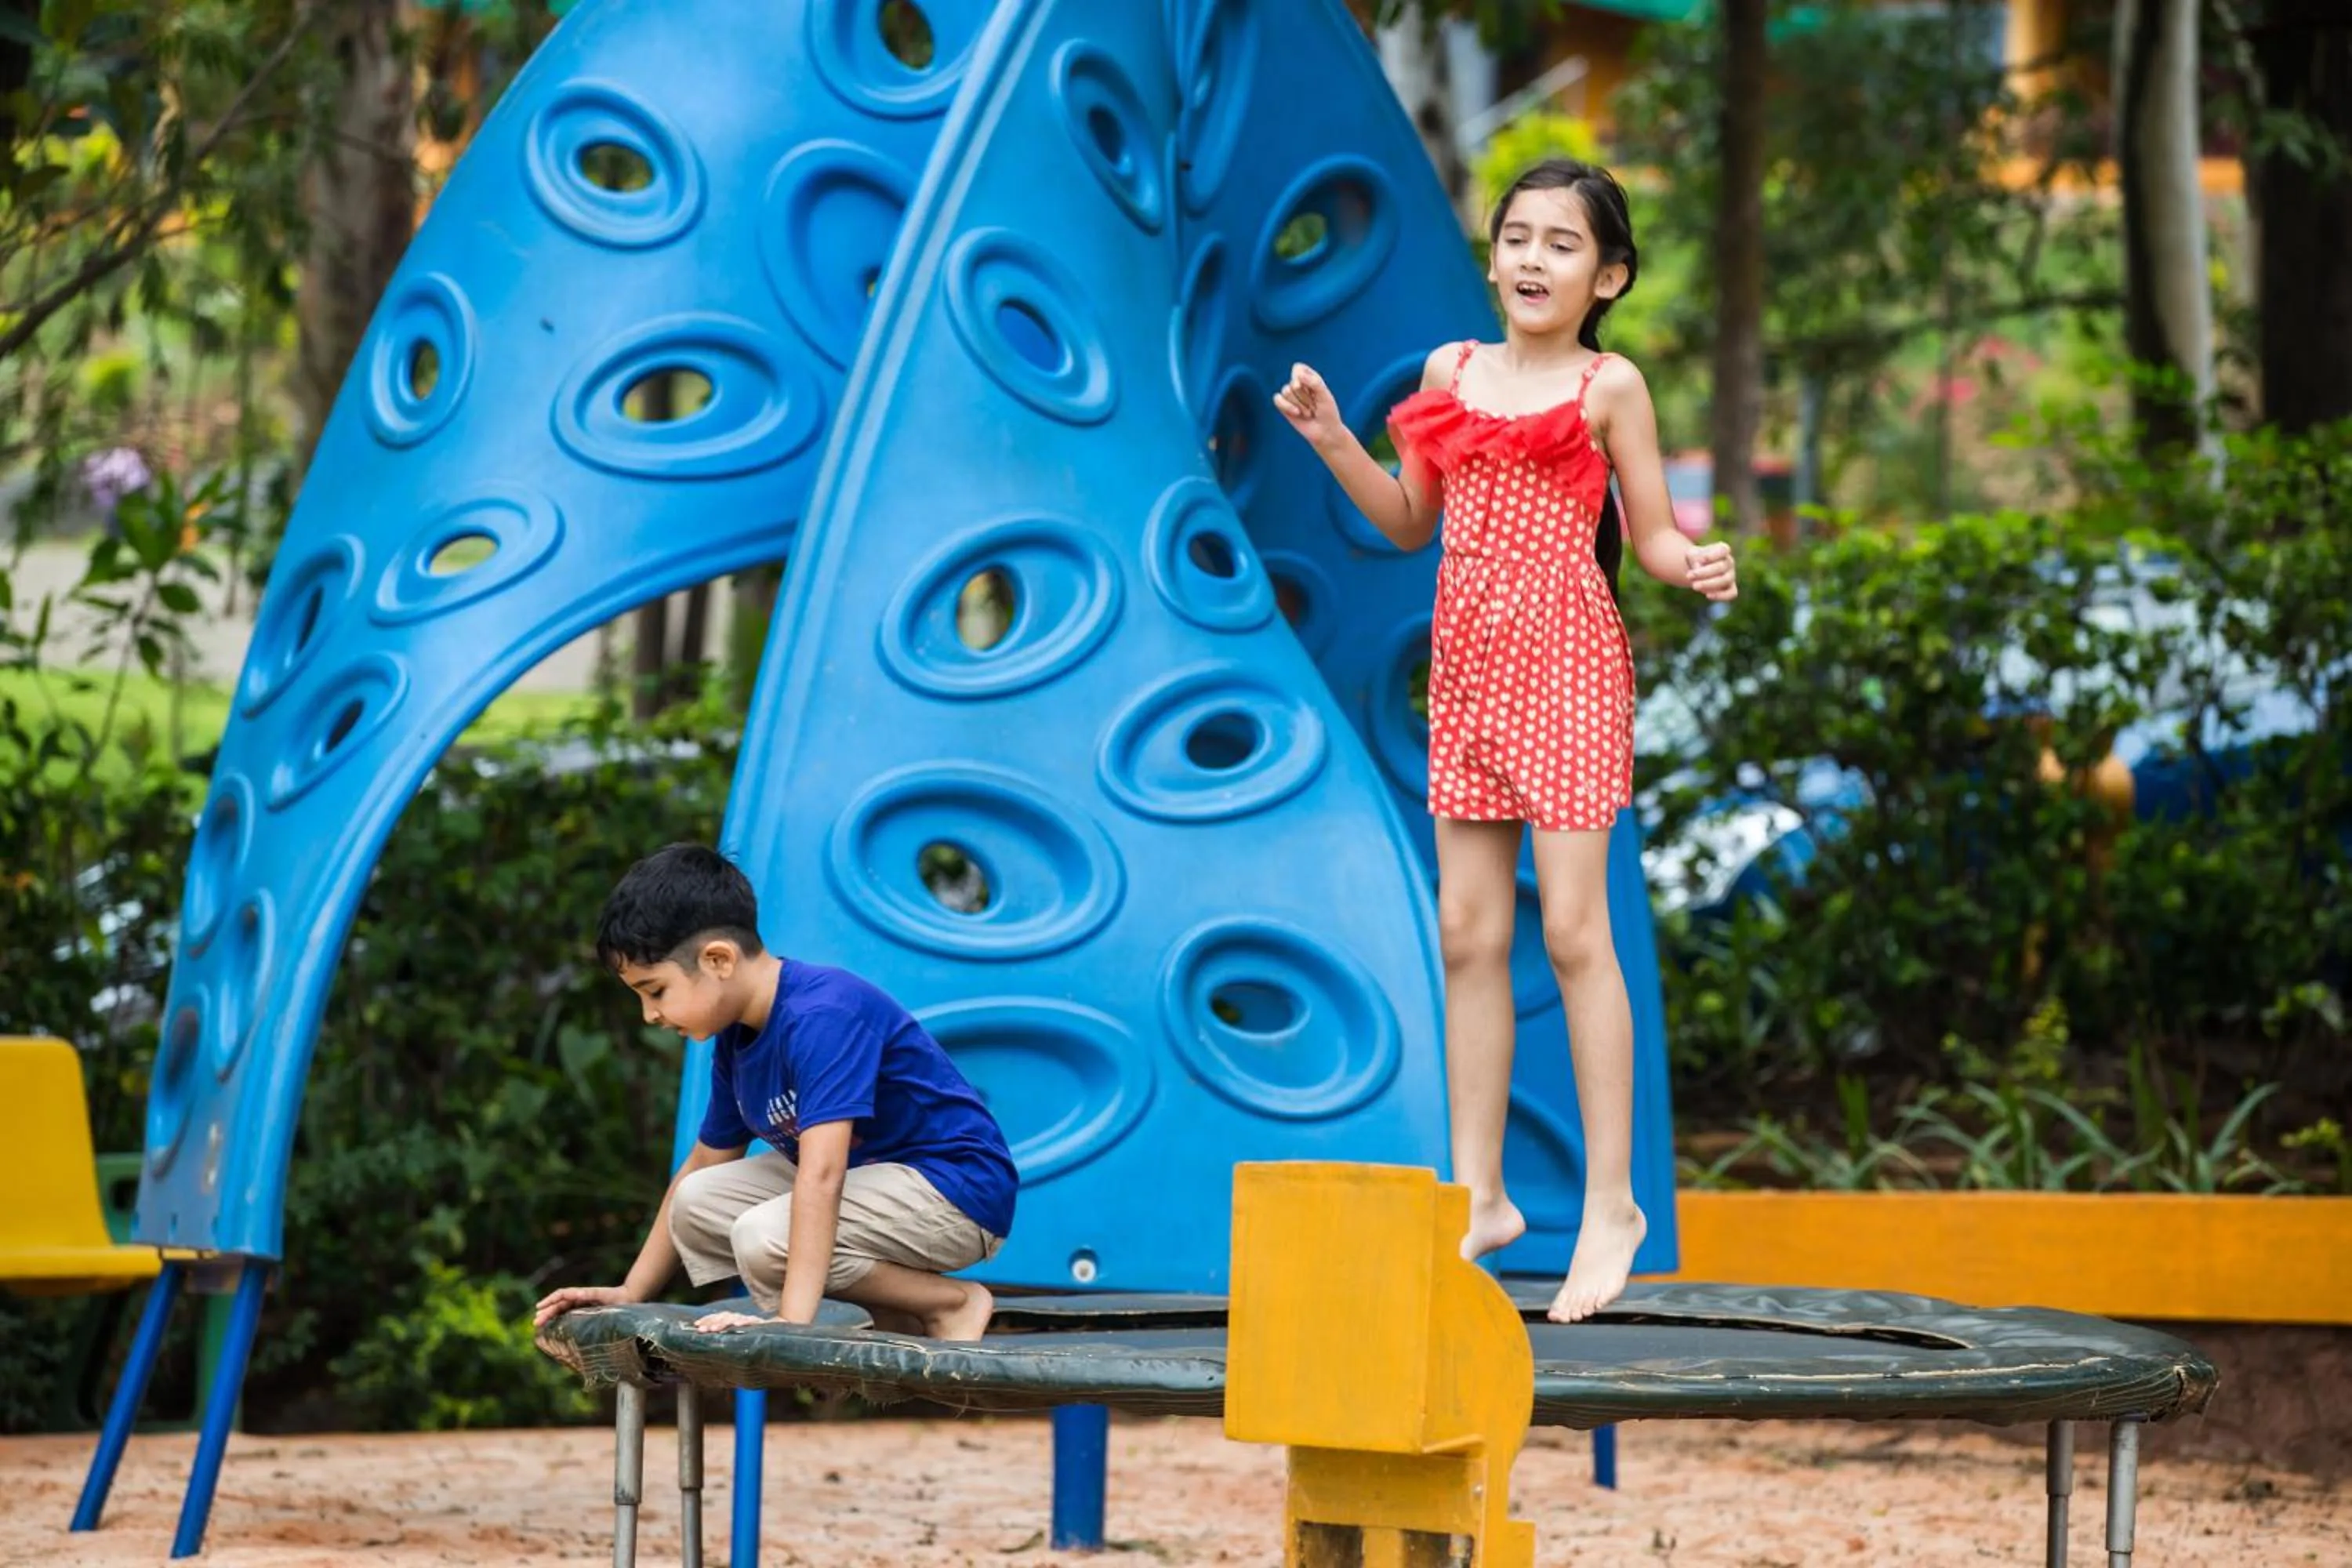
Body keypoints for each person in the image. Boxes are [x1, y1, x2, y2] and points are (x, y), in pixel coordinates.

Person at [1272, 158, 1738, 1323]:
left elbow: (1655, 534)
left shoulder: (1609, 387)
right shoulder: (1453, 373)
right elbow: (1404, 523)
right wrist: (1333, 438)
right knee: (1467, 928)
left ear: (1609, 275)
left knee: (1577, 932)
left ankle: (1613, 1204)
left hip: (1571, 664)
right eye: (1517, 237)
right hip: (1469, 669)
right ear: (1493, 258)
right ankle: (1479, 1191)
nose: (1533, 258)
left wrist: (1697, 565)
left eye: (1563, 244)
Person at [532, 844, 1015, 1341]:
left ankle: (949, 1302)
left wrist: (791, 1323)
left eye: (655, 991)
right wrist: (631, 1290)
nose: (650, 1015)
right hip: (872, 1183)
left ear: (717, 959)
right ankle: (898, 1306)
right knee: (696, 1201)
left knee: (764, 1236)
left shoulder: (821, 1015)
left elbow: (822, 1175)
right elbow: (703, 1163)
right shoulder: (738, 1036)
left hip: (956, 1192)